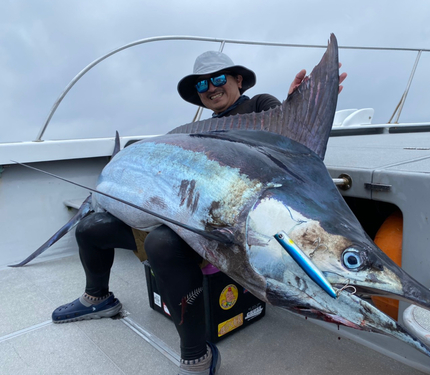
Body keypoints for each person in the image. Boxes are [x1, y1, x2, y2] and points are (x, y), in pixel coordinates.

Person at [51, 50, 346, 375]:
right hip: (175, 219)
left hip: (226, 234)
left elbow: (284, 145)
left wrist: (295, 108)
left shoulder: (260, 105)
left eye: (219, 78)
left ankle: (197, 355)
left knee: (161, 243)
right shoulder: (187, 130)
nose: (211, 87)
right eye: (203, 83)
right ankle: (99, 298)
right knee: (91, 228)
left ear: (237, 79)